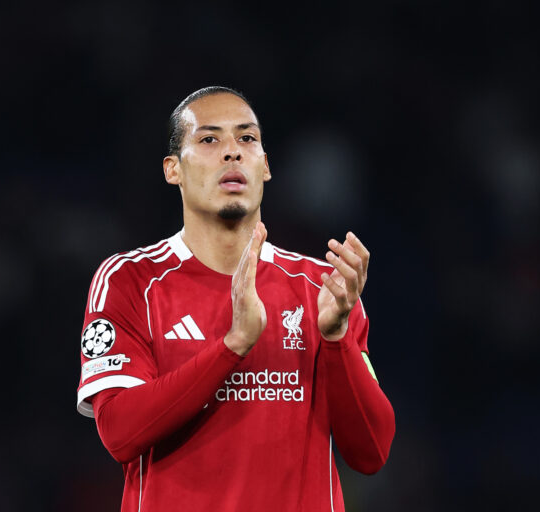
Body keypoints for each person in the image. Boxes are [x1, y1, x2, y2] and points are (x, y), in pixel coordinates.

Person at [75, 86, 395, 512]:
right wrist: (233, 346)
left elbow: (371, 451)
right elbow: (120, 432)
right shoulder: (131, 280)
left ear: (265, 166)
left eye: (247, 139)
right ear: (174, 170)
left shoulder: (324, 287)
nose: (233, 153)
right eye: (209, 139)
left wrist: (336, 337)